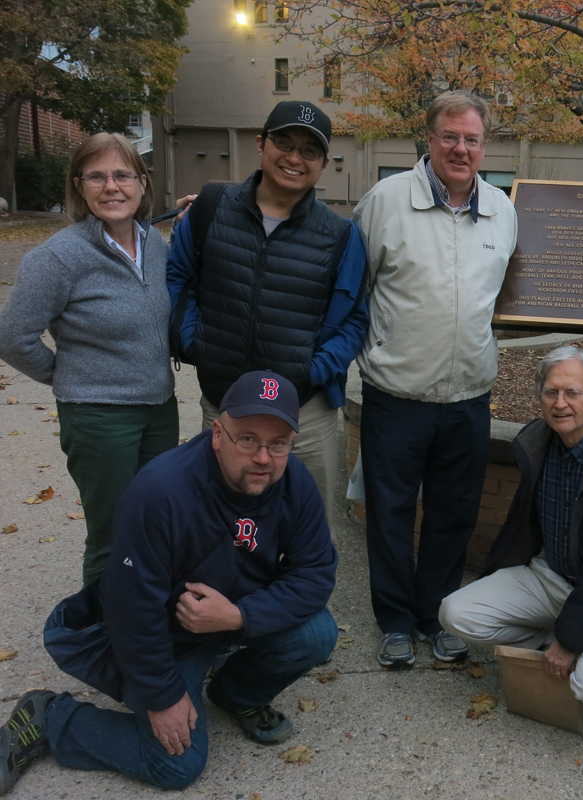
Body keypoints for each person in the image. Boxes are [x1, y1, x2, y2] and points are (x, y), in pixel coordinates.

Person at [0, 371, 338, 794]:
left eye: (278, 443)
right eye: (247, 439)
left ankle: (236, 694)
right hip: (168, 638)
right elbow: (129, 609)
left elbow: (316, 573)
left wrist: (237, 616)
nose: (263, 458)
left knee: (318, 634)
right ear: (218, 433)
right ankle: (50, 716)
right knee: (177, 767)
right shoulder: (161, 493)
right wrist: (163, 696)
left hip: (228, 621)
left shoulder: (295, 483)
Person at [353, 89, 518, 667]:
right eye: (450, 136)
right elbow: (357, 288)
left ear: (484, 145)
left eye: (472, 139)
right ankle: (396, 621)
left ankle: (438, 615)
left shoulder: (502, 208)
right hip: (396, 396)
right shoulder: (385, 201)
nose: (461, 148)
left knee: (454, 514)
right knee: (391, 514)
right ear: (428, 139)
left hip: (468, 398)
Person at [438, 347, 583, 727]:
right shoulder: (539, 441)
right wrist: (565, 636)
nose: (559, 403)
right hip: (548, 577)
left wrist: (570, 642)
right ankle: (558, 633)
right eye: (551, 392)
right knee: (455, 613)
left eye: (572, 393)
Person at [0, 133, 192, 585]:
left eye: (123, 175)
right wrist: (69, 377)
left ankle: (147, 624)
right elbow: (11, 337)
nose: (112, 186)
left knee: (154, 526)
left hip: (158, 411)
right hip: (100, 419)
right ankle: (104, 639)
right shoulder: (58, 258)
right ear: (79, 187)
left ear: (143, 184)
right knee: (113, 537)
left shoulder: (156, 245)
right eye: (97, 176)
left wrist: (197, 220)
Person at [167, 100, 368, 520]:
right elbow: (178, 278)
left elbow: (354, 318)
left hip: (303, 416)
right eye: (284, 142)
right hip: (224, 405)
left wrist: (311, 369)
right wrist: (193, 343)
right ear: (261, 144)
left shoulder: (340, 235)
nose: (294, 158)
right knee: (220, 526)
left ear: (323, 162)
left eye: (309, 150)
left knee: (307, 533)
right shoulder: (209, 209)